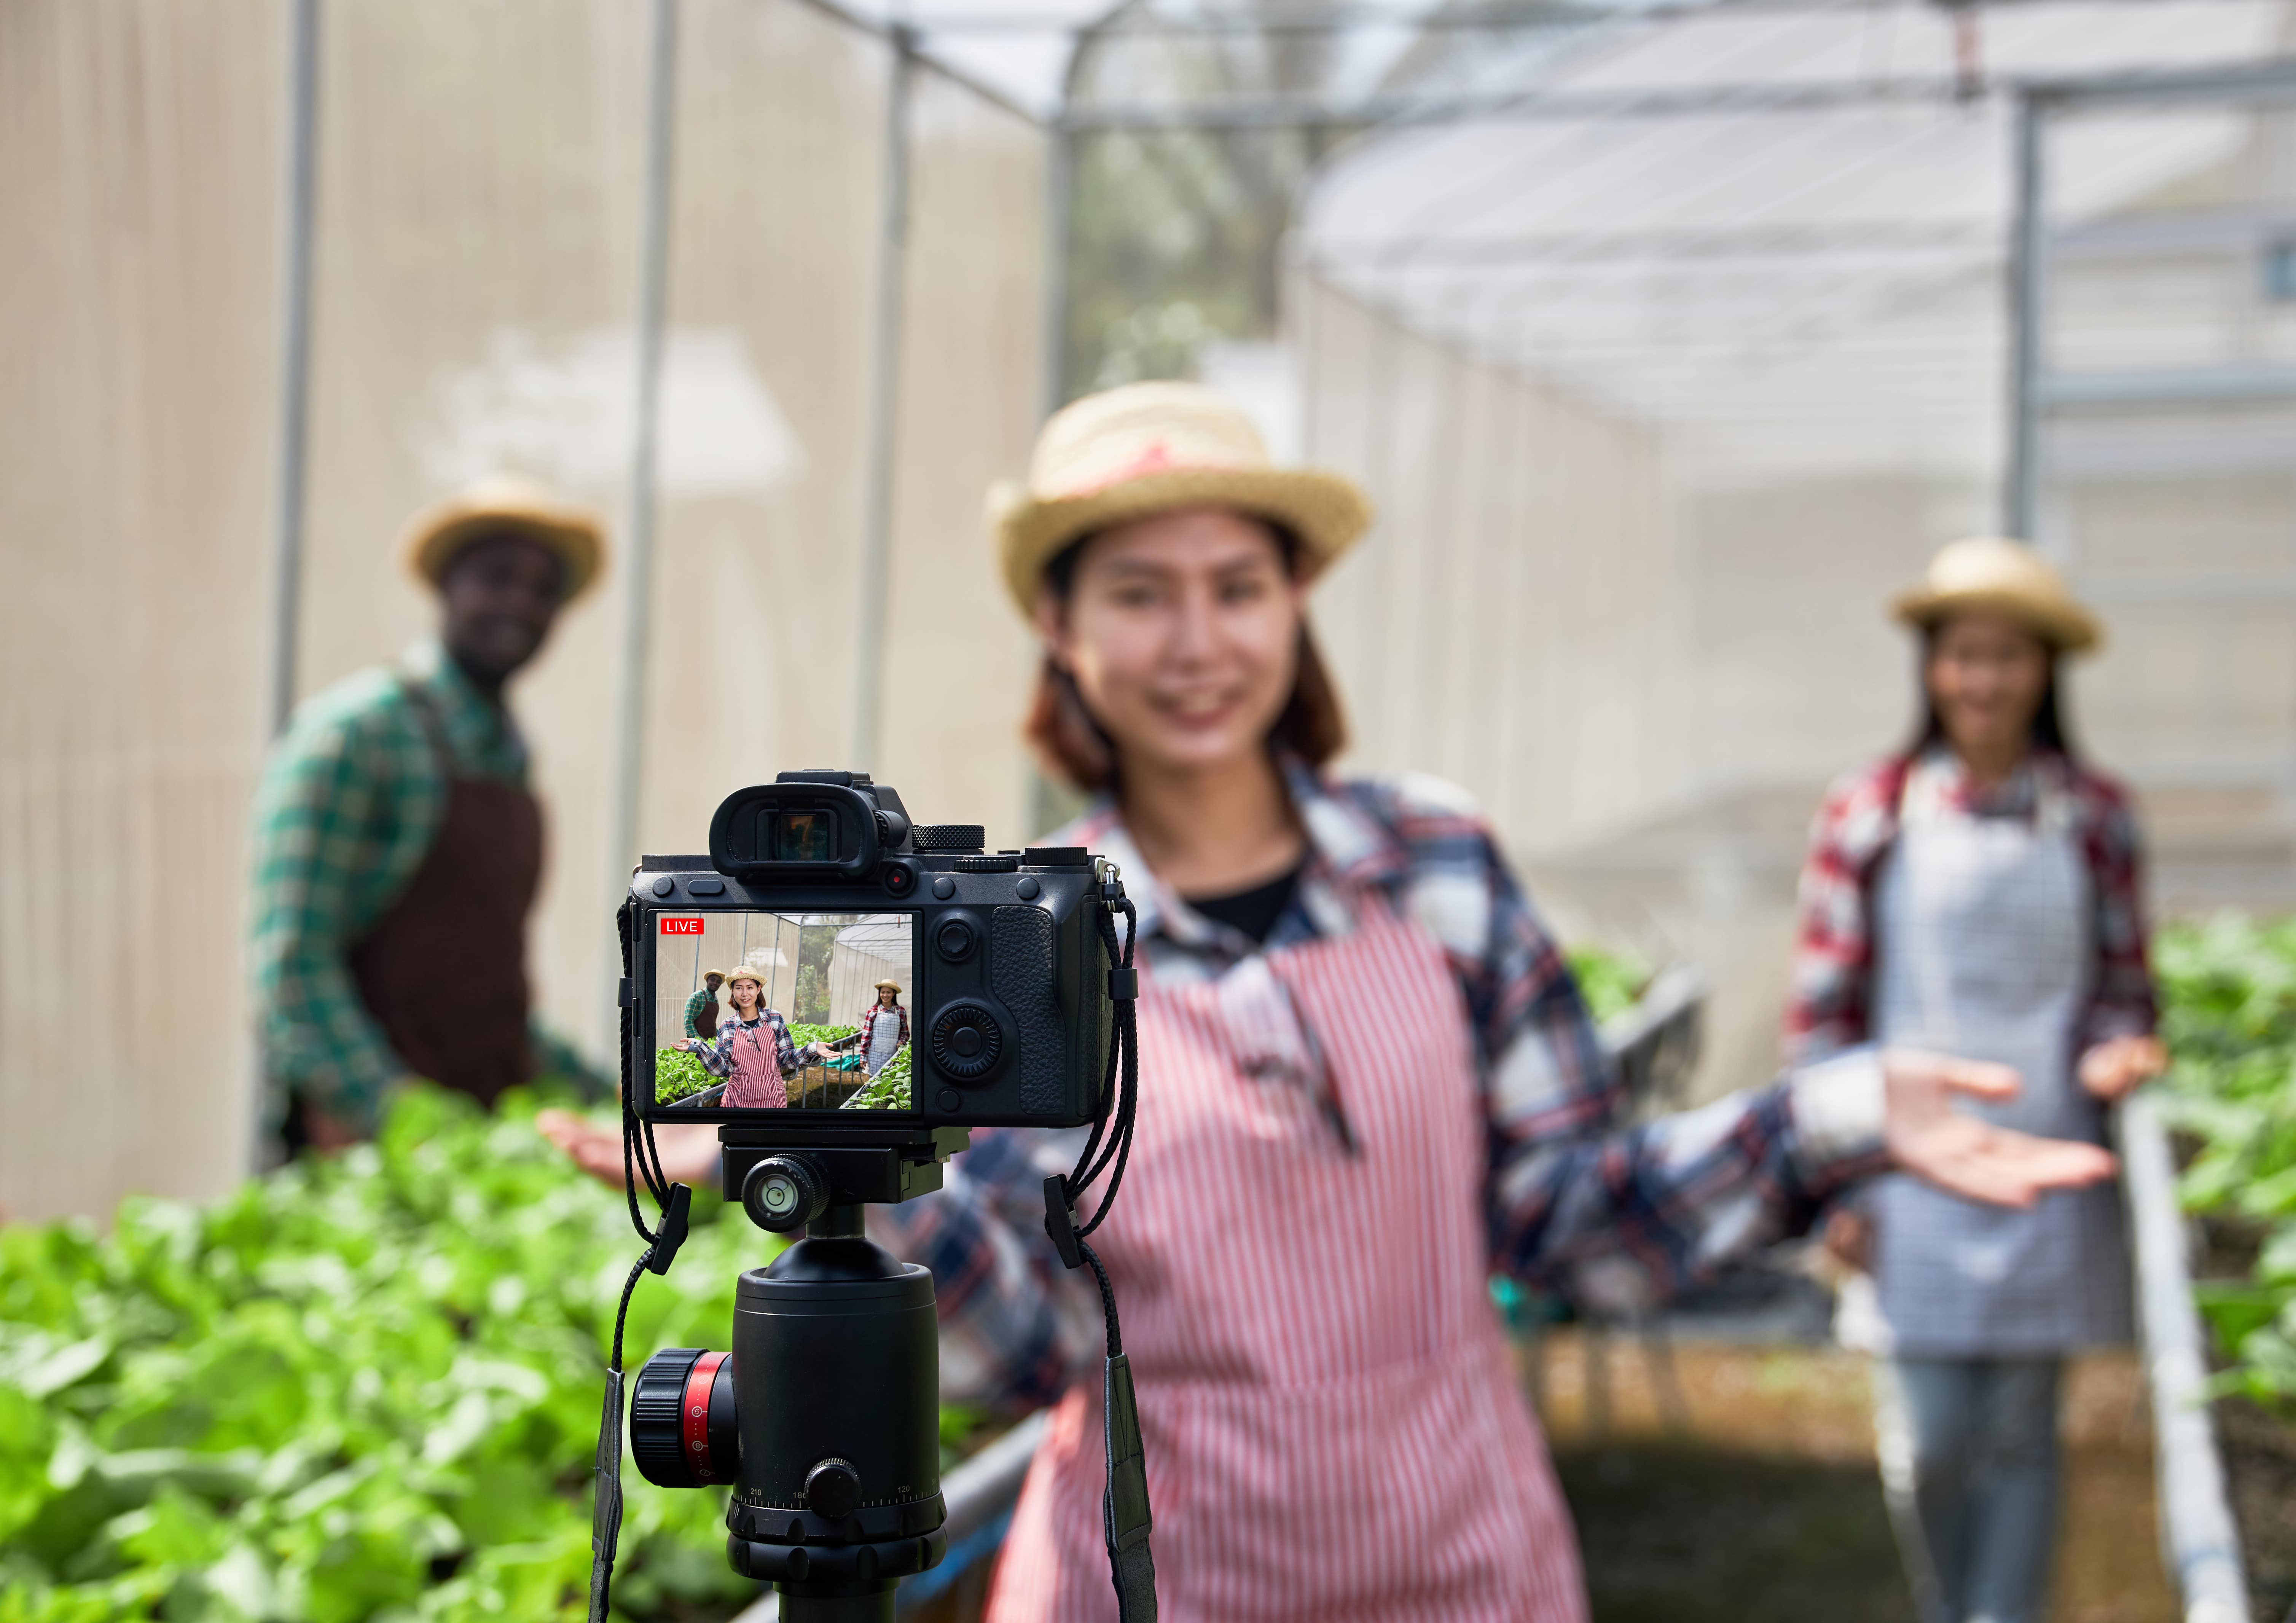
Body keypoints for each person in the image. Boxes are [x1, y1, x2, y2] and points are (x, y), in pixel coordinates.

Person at [547, 384, 2117, 1621]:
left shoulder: (1432, 866)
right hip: (1156, 1576)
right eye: (1140, 594)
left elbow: (1573, 1218)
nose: (1195, 641)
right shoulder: (1027, 942)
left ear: (1295, 602)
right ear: (1061, 629)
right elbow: (1030, 1341)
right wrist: (832, 1163)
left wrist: (1828, 1118)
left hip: (1454, 1568)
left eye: (1236, 585)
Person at [1785, 537, 2168, 1623]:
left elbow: (2124, 984)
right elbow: (1824, 1013)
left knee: (2020, 1433)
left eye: (2007, 657)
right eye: (1963, 656)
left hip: (2045, 1151)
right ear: (1930, 668)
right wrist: (1838, 1179)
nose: (1983, 681)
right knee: (1934, 1439)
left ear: (2045, 672)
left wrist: (2115, 1044)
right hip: (1910, 1168)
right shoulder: (1868, 811)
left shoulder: (2094, 815)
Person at [252, 475, 610, 1152]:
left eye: (543, 590)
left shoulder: (508, 756)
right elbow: (292, 966)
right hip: (360, 1156)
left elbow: (485, 991)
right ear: (448, 584)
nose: (522, 603)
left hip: (481, 1129)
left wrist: (616, 1101)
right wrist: (405, 1121)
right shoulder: (357, 733)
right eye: (498, 576)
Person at [684, 968, 843, 1110]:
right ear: (733, 991)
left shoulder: (774, 1019)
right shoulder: (728, 1026)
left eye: (750, 988)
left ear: (758, 989)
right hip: (738, 1102)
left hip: (772, 1100)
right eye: (739, 988)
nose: (745, 993)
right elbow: (725, 1069)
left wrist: (812, 1049)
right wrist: (700, 1048)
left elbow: (787, 1060)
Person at [858, 979, 909, 1076]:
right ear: (880, 993)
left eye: (889, 992)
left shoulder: (901, 1012)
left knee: (890, 1083)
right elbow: (866, 1036)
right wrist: (863, 1056)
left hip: (894, 1055)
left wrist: (901, 1042)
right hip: (874, 1055)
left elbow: (906, 1034)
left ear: (894, 993)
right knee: (874, 1084)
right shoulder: (872, 1011)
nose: (885, 995)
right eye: (883, 992)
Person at [685, 970, 727, 1043]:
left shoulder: (715, 1000)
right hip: (696, 1043)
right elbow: (688, 1022)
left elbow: (712, 1024)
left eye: (718, 982)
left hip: (711, 1042)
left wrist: (721, 1037)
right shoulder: (697, 997)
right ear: (707, 980)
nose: (715, 983)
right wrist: (700, 1041)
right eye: (713, 980)